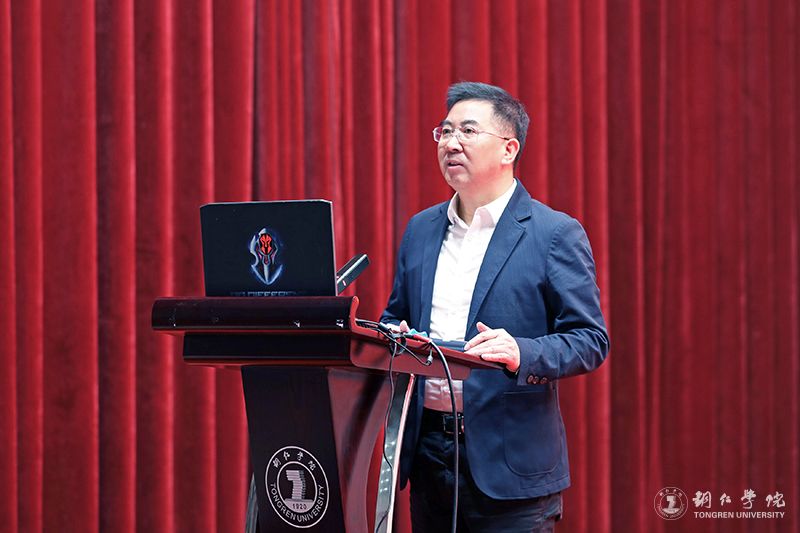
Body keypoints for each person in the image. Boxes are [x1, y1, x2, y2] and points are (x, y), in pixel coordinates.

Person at [380, 81, 609, 532]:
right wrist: (395, 336)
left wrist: (522, 351)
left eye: (468, 131)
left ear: (509, 148)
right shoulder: (421, 230)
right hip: (428, 457)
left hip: (511, 463)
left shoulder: (553, 233)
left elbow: (590, 340)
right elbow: (395, 317)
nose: (451, 143)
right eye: (445, 131)